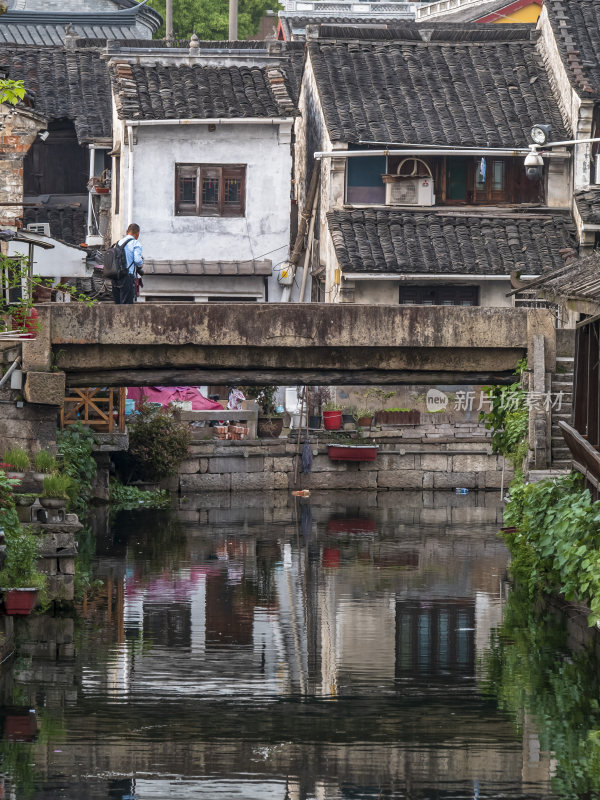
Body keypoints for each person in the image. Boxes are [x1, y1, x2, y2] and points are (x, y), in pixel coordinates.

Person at [113, 223, 144, 305]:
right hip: (127, 277)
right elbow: (137, 260)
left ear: (127, 231)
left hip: (116, 277)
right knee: (127, 306)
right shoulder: (135, 243)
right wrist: (141, 263)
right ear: (137, 233)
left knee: (118, 305)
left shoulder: (118, 243)